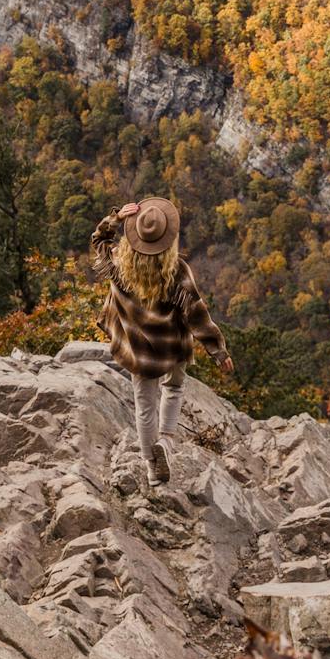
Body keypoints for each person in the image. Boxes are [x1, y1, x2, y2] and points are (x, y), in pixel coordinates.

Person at [91, 196, 233, 485]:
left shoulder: (119, 263)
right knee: (174, 388)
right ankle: (166, 442)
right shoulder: (176, 271)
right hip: (171, 346)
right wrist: (218, 350)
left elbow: (98, 238)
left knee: (144, 405)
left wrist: (115, 219)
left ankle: (151, 469)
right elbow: (197, 313)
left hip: (137, 348)